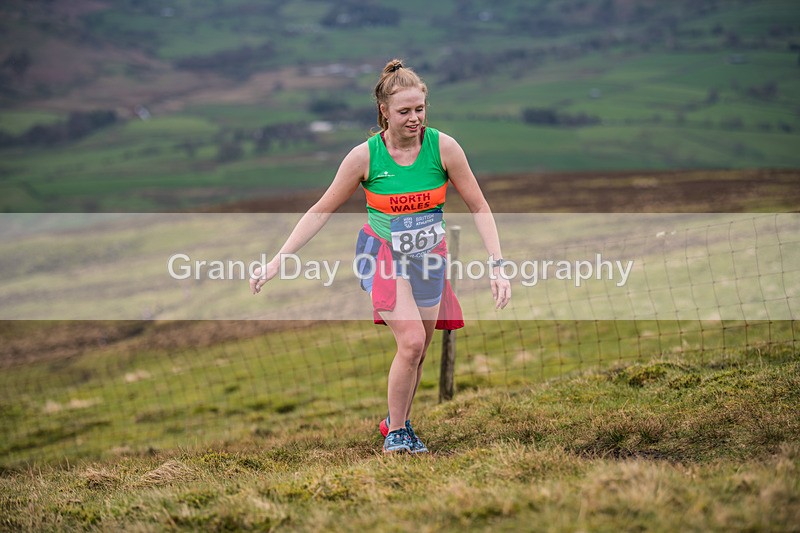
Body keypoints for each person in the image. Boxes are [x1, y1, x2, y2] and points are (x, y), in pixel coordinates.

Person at [250, 58, 511, 454]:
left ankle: (395, 418)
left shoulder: (444, 148)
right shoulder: (365, 157)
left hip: (429, 257)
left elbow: (479, 206)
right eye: (404, 111)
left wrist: (497, 263)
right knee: (409, 342)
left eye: (419, 109)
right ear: (383, 111)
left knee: (420, 348)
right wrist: (278, 259)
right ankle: (398, 435)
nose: (414, 119)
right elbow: (321, 209)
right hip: (382, 254)